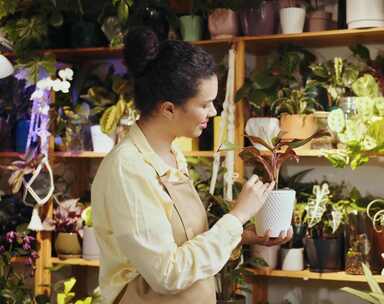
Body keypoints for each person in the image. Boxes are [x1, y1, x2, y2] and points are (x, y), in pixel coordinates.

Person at [91, 28, 292, 304]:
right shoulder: (128, 168)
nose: (214, 112)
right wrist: (237, 216)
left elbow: (185, 243)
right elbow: (166, 274)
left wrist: (246, 236)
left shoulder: (171, 155)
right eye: (205, 104)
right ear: (169, 109)